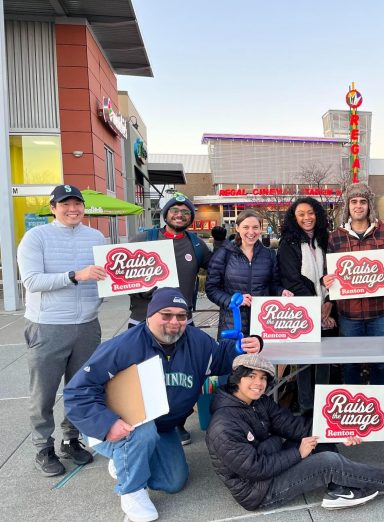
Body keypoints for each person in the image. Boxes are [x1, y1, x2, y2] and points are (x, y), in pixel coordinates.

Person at [63, 288, 263, 522]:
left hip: (163, 427)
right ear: (150, 316)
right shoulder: (123, 346)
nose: (174, 322)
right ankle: (131, 490)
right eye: (166, 315)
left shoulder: (196, 341)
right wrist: (107, 424)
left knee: (174, 481)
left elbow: (219, 358)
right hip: (121, 425)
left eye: (181, 316)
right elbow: (77, 391)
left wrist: (244, 348)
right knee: (143, 431)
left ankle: (125, 461)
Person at [205, 353, 384, 511]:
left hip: (269, 463)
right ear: (237, 379)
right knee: (327, 462)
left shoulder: (258, 403)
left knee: (316, 438)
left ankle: (339, 490)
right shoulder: (223, 425)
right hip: (258, 491)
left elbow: (294, 426)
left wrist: (340, 433)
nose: (259, 383)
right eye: (251, 376)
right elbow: (255, 469)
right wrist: (298, 454)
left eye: (263, 377)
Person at [17, 184, 107, 477]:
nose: (73, 209)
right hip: (48, 325)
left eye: (77, 204)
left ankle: (72, 438)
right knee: (43, 392)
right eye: (65, 204)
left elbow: (108, 275)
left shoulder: (96, 236)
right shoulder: (35, 237)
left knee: (80, 387)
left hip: (86, 325)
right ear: (53, 207)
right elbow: (31, 281)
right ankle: (43, 446)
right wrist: (74, 276)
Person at [127, 192, 213, 445]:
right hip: (144, 318)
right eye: (174, 210)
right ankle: (144, 423)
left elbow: (217, 268)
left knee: (182, 373)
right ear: (164, 214)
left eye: (185, 212)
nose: (180, 215)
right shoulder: (145, 238)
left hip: (181, 320)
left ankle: (177, 422)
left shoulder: (196, 244)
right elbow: (119, 275)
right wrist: (142, 288)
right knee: (143, 374)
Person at [323, 183, 384, 385]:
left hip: (379, 313)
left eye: (363, 201)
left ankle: (377, 407)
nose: (358, 206)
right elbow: (329, 272)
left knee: (379, 363)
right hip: (348, 315)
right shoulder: (336, 237)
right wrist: (326, 280)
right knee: (350, 363)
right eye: (354, 202)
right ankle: (354, 408)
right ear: (348, 206)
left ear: (369, 205)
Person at [277, 197, 336, 415]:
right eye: (301, 214)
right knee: (304, 362)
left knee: (325, 360)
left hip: (326, 309)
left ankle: (324, 406)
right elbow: (291, 280)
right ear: (294, 217)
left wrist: (329, 303)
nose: (306, 218)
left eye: (310, 213)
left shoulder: (326, 240)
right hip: (303, 312)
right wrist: (315, 308)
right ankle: (306, 407)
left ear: (317, 214)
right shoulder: (288, 243)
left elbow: (336, 275)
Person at [206, 210, 291, 339]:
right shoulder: (224, 253)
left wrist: (281, 291)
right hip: (233, 324)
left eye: (255, 227)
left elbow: (273, 285)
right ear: (237, 228)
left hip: (264, 324)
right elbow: (211, 288)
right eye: (246, 227)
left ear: (261, 229)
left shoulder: (269, 255)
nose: (251, 232)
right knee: (234, 359)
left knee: (262, 359)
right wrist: (232, 300)